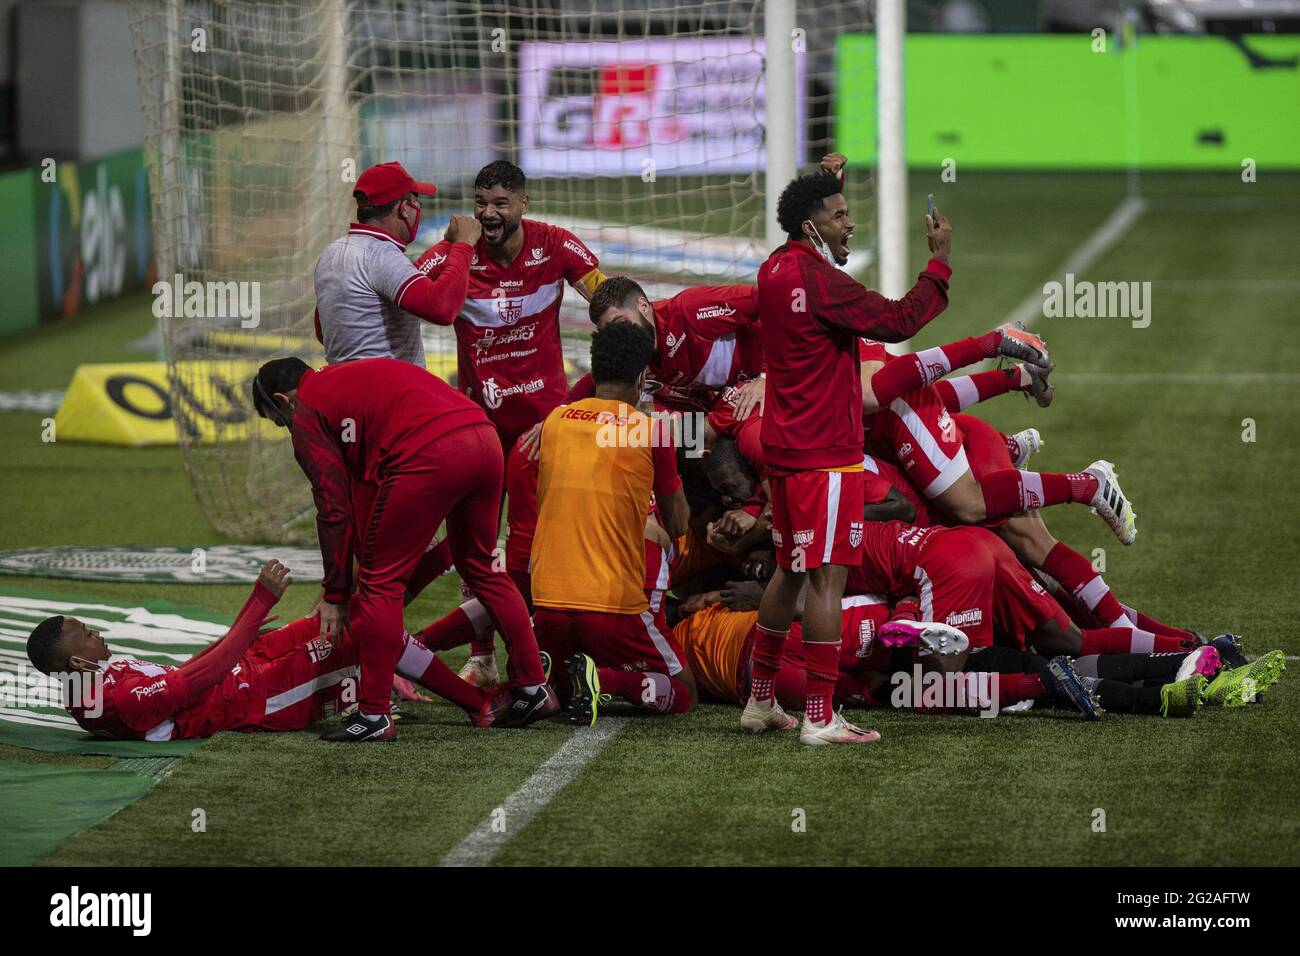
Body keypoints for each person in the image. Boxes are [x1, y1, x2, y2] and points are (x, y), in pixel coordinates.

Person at [744, 167, 954, 746]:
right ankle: (818, 714)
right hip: (826, 456)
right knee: (827, 581)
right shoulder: (820, 282)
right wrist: (937, 261)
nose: (850, 222)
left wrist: (822, 178)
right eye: (839, 215)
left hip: (783, 451)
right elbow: (899, 319)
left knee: (789, 572)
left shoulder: (773, 269)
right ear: (812, 225)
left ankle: (760, 701)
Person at [251, 356, 552, 741]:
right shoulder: (346, 380)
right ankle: (533, 687)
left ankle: (374, 714)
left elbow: (333, 508)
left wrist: (336, 593)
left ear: (284, 400)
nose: (287, 428)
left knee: (380, 584)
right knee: (482, 568)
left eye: (280, 420)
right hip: (483, 435)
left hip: (430, 451)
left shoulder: (308, 412)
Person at [21, 561, 527, 739]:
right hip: (260, 698)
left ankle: (448, 555)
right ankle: (477, 703)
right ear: (77, 661)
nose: (96, 633)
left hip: (246, 670)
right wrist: (257, 602)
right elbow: (200, 680)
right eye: (85, 632)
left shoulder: (91, 681)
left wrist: (247, 630)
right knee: (367, 633)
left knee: (345, 614)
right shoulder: (116, 701)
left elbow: (197, 666)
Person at [529, 320, 694, 724]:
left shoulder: (554, 423)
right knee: (685, 691)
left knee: (566, 682)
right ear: (642, 378)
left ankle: (559, 678)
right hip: (612, 607)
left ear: (593, 371)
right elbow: (677, 524)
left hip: (545, 605)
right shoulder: (653, 431)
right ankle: (604, 680)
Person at [313, 160, 482, 365]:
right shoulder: (381, 254)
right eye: (416, 200)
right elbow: (442, 309)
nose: (418, 207)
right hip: (387, 390)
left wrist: (448, 245)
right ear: (404, 208)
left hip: (343, 385)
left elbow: (324, 332)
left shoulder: (331, 253)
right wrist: (464, 245)